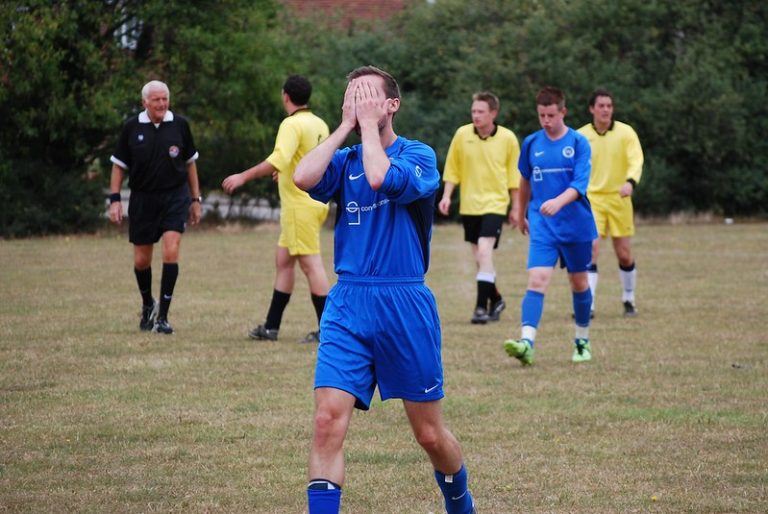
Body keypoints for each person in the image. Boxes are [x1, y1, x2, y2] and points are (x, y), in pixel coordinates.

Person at [293, 66, 475, 514]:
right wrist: (344, 128)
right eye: (351, 97)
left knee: (428, 435)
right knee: (326, 421)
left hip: (404, 302)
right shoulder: (346, 158)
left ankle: (461, 504)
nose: (357, 104)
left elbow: (380, 177)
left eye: (367, 97)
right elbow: (302, 177)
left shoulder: (419, 155)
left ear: (392, 105)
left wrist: (370, 128)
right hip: (348, 302)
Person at [222, 75, 331, 343]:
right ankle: (271, 327)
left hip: (299, 205)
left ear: (286, 96)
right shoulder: (319, 123)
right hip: (315, 203)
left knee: (311, 265)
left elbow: (279, 158)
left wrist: (243, 176)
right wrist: (285, 172)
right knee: (283, 262)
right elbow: (309, 159)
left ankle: (329, 331)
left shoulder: (291, 124)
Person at [503, 86, 597, 366]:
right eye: (541, 115)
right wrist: (521, 212)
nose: (546, 120)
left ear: (563, 112)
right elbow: (524, 179)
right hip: (542, 224)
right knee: (537, 279)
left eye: (551, 115)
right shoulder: (531, 143)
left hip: (576, 225)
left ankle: (582, 340)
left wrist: (558, 201)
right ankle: (526, 343)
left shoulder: (579, 143)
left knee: (579, 283)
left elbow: (579, 185)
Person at [109, 80, 202, 335]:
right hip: (143, 199)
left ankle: (163, 318)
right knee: (142, 260)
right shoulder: (132, 127)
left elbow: (190, 163)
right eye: (156, 100)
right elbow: (118, 166)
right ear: (145, 102)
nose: (162, 104)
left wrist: (196, 200)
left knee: (171, 251)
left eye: (165, 99)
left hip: (175, 197)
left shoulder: (180, 125)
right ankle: (147, 303)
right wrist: (115, 199)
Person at [438, 92, 521, 324]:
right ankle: (497, 299)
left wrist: (516, 208)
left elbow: (514, 177)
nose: (476, 115)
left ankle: (481, 308)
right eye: (473, 111)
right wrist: (446, 196)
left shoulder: (508, 138)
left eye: (481, 112)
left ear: (493, 113)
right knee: (481, 259)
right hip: (469, 205)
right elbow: (453, 168)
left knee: (484, 253)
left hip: (496, 204)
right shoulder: (462, 134)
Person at [578, 88, 644, 317]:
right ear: (592, 109)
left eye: (609, 106)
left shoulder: (626, 133)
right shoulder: (581, 136)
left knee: (623, 253)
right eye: (601, 106)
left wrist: (631, 182)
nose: (605, 110)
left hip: (619, 199)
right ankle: (588, 304)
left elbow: (636, 160)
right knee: (591, 249)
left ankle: (629, 299)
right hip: (592, 200)